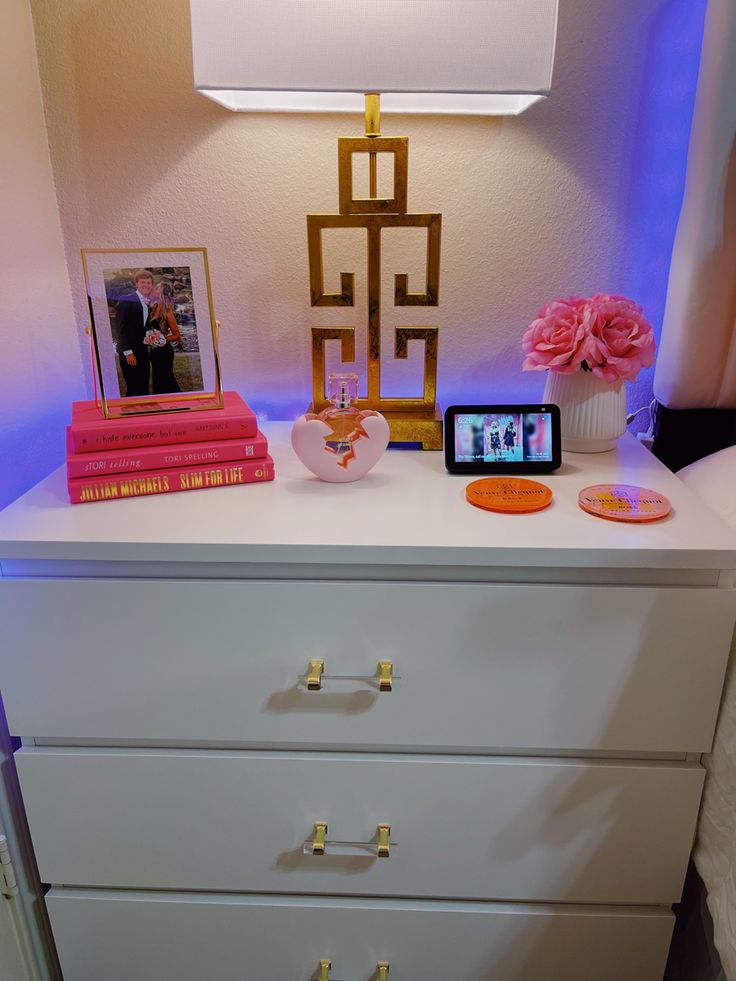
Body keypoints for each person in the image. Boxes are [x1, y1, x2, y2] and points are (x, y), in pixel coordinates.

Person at [115, 269, 155, 396]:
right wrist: (128, 353)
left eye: (148, 283)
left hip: (143, 351)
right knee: (133, 388)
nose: (146, 285)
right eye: (143, 282)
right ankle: (132, 414)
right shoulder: (126, 299)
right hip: (130, 352)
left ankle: (144, 414)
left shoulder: (149, 302)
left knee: (143, 386)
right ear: (136, 284)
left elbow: (144, 327)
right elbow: (120, 328)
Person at [146, 280, 182, 394]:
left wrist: (161, 339)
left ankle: (179, 403)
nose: (154, 289)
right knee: (157, 380)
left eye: (157, 288)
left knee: (167, 380)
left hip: (164, 352)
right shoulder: (153, 309)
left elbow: (177, 336)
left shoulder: (168, 312)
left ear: (162, 293)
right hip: (154, 352)